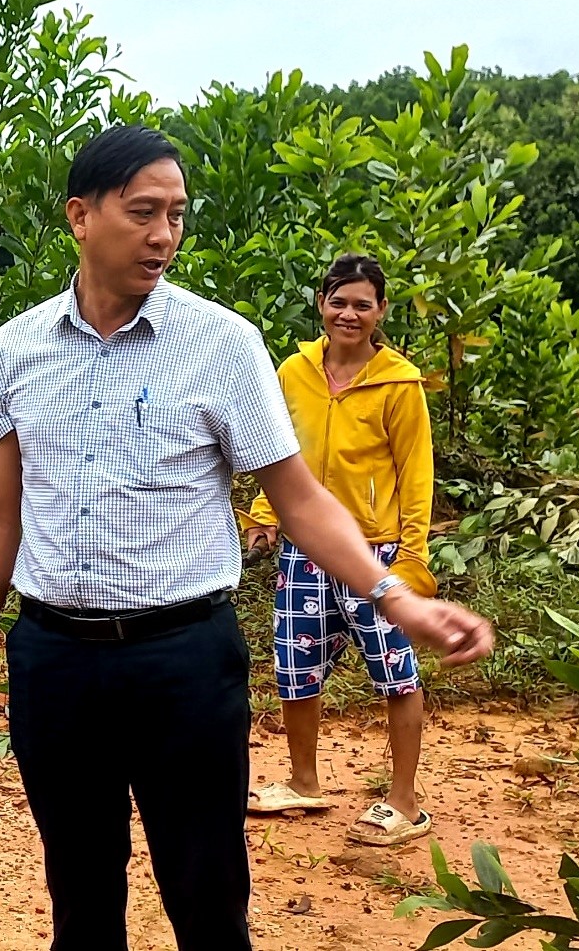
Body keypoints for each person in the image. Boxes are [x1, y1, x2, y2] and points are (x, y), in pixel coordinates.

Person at [0, 124, 493, 950]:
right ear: (80, 217)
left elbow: (299, 500)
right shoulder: (15, 350)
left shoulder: (223, 345)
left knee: (207, 896)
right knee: (80, 896)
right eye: (142, 212)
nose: (164, 234)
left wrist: (395, 599)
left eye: (176, 214)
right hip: (55, 662)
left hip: (184, 662)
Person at [243, 253, 436, 845]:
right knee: (295, 670)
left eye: (362, 304)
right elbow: (277, 448)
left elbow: (416, 472)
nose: (348, 314)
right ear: (321, 304)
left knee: (395, 671)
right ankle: (303, 783)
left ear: (380, 311)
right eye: (338, 301)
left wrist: (413, 555)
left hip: (374, 551)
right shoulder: (293, 372)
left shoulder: (400, 383)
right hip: (304, 551)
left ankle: (404, 801)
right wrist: (264, 513)